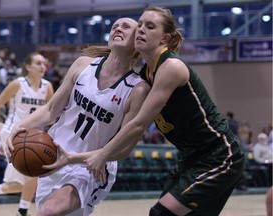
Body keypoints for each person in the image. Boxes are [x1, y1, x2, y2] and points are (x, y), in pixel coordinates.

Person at [42, 6, 246, 216]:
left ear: (164, 39)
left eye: (150, 26)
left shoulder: (171, 67)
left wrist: (101, 156)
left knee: (161, 213)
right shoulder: (147, 74)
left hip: (220, 155)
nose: (141, 30)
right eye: (139, 24)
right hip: (191, 157)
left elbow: (138, 124)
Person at [6, 17, 150, 216]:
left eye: (126, 27)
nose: (118, 28)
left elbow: (124, 147)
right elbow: (50, 110)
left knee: (48, 212)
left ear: (137, 41)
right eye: (115, 25)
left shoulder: (137, 89)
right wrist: (17, 129)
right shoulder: (83, 65)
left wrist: (94, 157)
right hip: (52, 155)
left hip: (90, 166)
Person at [0, 52, 54, 216]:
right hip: (12, 133)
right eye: (38, 63)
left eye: (44, 64)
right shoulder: (18, 84)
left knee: (23, 183)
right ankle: (22, 212)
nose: (42, 67)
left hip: (33, 135)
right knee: (34, 173)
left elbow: (52, 113)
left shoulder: (47, 87)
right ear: (28, 67)